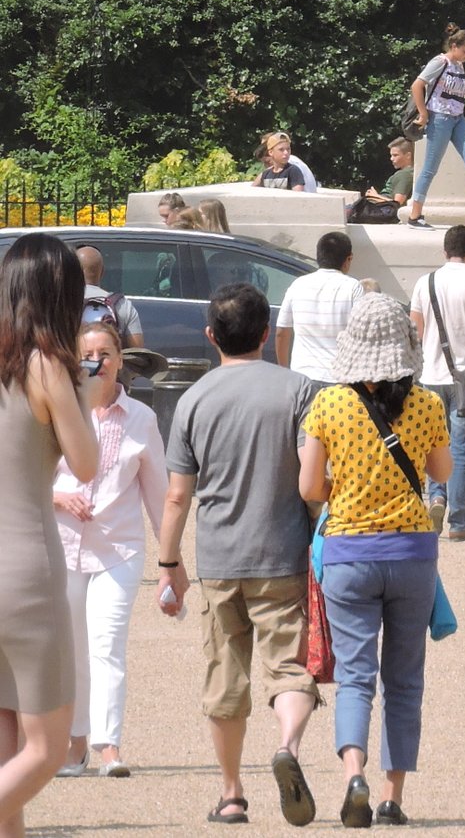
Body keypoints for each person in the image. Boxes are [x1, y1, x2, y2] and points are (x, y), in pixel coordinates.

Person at [157, 282, 319, 830]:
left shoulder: (194, 399)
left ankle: (230, 794)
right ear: (266, 332)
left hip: (221, 558)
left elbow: (178, 493)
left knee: (225, 680)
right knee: (289, 670)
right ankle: (289, 747)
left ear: (210, 336)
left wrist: (168, 562)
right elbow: (312, 482)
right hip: (284, 551)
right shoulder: (301, 390)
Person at [299, 291, 452, 828]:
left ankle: (353, 775)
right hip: (411, 552)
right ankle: (393, 796)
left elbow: (308, 485)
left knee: (355, 677)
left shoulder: (329, 404)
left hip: (347, 552)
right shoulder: (429, 404)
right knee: (405, 679)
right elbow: (443, 472)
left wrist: (346, 486)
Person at [0, 234, 99, 837]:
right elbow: (86, 463)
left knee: (7, 742)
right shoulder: (45, 364)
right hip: (25, 569)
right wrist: (80, 384)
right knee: (47, 746)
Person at [52, 319, 166, 778]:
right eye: (88, 353)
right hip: (61, 546)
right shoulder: (57, 411)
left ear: (121, 360)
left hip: (118, 549)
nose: (96, 361)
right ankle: (75, 744)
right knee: (73, 648)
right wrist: (58, 496)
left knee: (106, 645)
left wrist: (170, 562)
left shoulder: (143, 418)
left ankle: (108, 747)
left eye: (106, 353)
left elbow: (159, 494)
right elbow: (22, 479)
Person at [408, 226, 465, 540]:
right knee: (461, 450)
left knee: (433, 444)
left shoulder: (425, 282)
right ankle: (459, 522)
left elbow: (415, 332)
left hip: (430, 375)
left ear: (445, 250)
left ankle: (436, 497)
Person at [402, 25, 465, 229]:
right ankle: (415, 215)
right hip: (440, 119)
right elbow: (417, 85)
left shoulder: (459, 66)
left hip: (458, 118)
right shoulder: (440, 62)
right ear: (454, 46)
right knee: (430, 168)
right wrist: (423, 112)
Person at [275, 233, 364, 385]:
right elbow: (362, 334)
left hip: (302, 378)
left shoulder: (298, 285)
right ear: (348, 259)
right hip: (340, 382)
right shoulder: (353, 287)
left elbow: (281, 333)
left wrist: (284, 372)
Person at [74, 247, 144, 347]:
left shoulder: (62, 303)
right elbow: (138, 351)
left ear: (72, 271)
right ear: (102, 272)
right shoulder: (123, 305)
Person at [348, 138, 415, 225]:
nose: (391, 159)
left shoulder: (404, 175)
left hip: (379, 211)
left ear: (408, 155)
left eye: (395, 155)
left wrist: (375, 196)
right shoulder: (411, 172)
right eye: (391, 155)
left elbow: (396, 204)